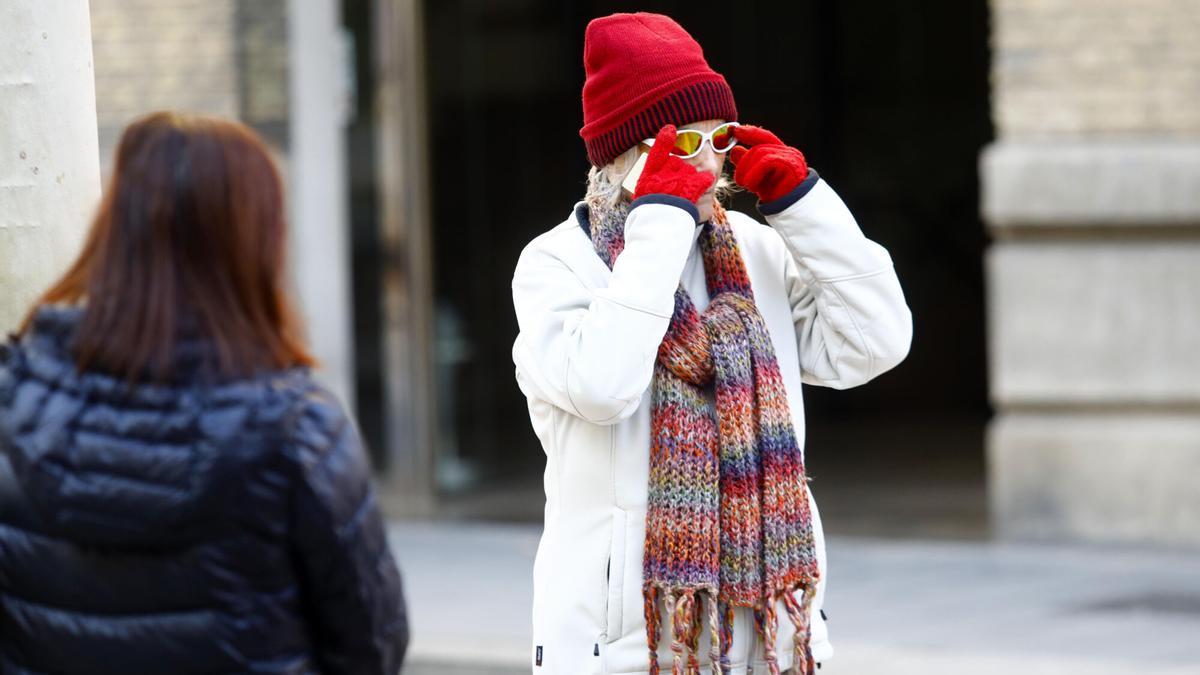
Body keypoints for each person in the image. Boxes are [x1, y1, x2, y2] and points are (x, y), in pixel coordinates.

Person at [511, 13, 912, 675]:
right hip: (624, 648)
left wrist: (802, 202)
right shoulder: (557, 263)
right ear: (625, 155)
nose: (706, 160)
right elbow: (602, 386)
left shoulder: (755, 252)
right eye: (680, 144)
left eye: (718, 138)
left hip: (770, 643)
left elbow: (877, 339)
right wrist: (659, 225)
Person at [0, 112, 408, 674]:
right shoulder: (295, 431)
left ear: (112, 231)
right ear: (257, 245)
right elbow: (370, 646)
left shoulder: (14, 403)